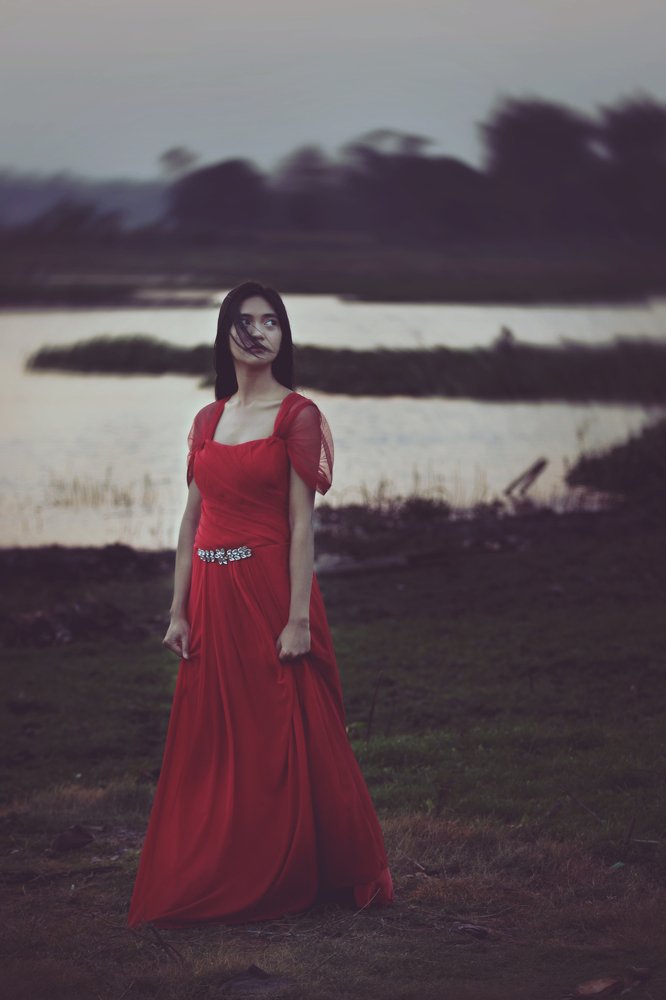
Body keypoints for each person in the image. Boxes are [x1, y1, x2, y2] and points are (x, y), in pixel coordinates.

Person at [127, 280, 394, 928]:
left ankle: (302, 867)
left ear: (283, 336)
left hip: (273, 595)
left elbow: (303, 526)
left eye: (270, 321)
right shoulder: (207, 420)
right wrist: (177, 610)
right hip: (213, 601)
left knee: (286, 730)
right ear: (225, 336)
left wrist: (298, 618)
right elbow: (192, 523)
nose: (257, 331)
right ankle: (219, 863)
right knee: (217, 741)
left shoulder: (295, 416)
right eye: (244, 321)